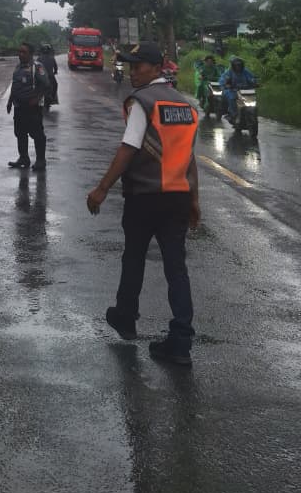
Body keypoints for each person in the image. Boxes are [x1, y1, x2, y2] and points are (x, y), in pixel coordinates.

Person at [86, 41, 200, 366]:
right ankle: (180, 342)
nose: (133, 72)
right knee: (176, 268)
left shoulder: (142, 103)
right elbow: (190, 159)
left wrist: (102, 188)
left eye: (138, 67)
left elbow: (128, 148)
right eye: (131, 66)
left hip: (145, 198)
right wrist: (194, 199)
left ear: (156, 67)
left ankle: (125, 316)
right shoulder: (185, 106)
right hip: (177, 198)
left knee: (134, 257)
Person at [6, 41, 49, 171]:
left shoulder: (37, 67)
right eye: (19, 51)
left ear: (31, 54)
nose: (20, 54)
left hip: (32, 108)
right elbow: (15, 86)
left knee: (37, 134)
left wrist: (37, 99)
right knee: (20, 133)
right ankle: (23, 158)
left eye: (24, 52)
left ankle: (41, 160)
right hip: (19, 107)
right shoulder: (18, 67)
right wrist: (9, 102)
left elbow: (46, 85)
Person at [219, 56, 257, 122]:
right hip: (233, 91)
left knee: (253, 101)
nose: (238, 67)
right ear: (233, 65)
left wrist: (254, 82)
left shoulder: (245, 71)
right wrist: (226, 84)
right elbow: (223, 79)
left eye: (239, 65)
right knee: (232, 98)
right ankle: (233, 115)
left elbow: (251, 78)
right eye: (236, 65)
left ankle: (252, 114)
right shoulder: (229, 72)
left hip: (245, 92)